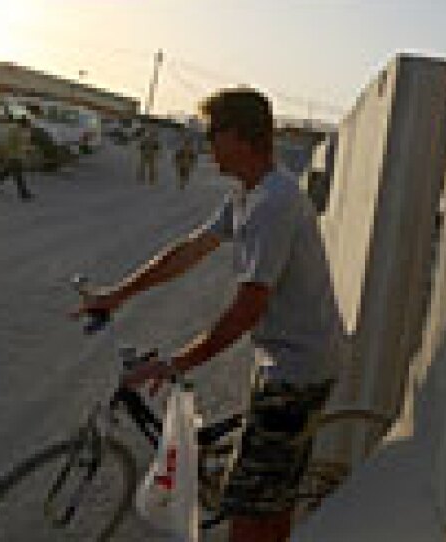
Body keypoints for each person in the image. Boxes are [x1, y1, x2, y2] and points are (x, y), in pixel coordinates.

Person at [72, 87, 343, 542]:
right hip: (286, 358)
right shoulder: (249, 195)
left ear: (239, 136)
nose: (205, 144)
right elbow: (188, 252)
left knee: (249, 511)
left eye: (213, 134)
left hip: (297, 369)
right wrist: (117, 294)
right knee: (269, 495)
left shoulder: (273, 205)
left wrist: (175, 363)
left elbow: (245, 310)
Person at [0, 115, 34, 201]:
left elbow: (23, 143)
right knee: (18, 175)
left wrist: (27, 149)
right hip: (14, 156)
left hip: (17, 156)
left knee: (6, 172)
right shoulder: (15, 131)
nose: (29, 124)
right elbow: (12, 144)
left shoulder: (22, 131)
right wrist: (8, 154)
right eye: (28, 123)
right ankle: (23, 193)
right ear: (23, 123)